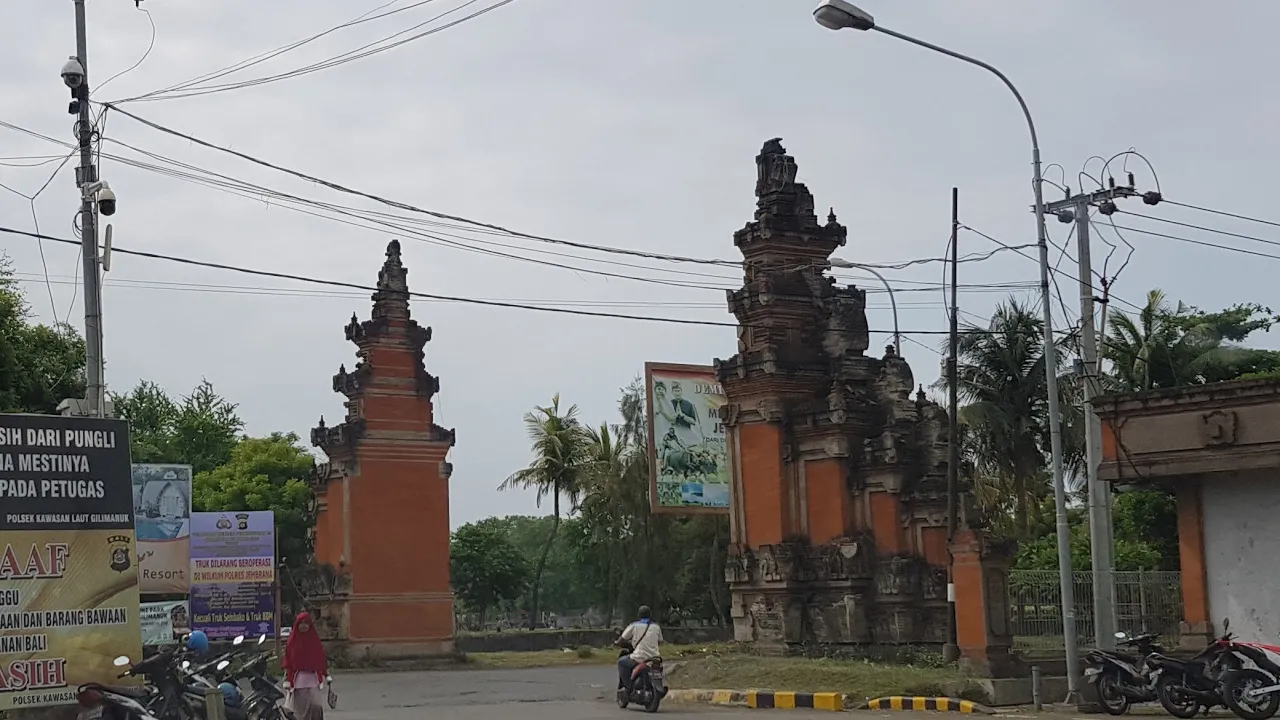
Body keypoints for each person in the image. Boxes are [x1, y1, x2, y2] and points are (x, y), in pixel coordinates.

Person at [282, 612, 330, 720]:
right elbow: (288, 661)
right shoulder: (292, 642)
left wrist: (326, 674)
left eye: (306, 623)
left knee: (316, 706)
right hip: (298, 681)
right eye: (301, 623)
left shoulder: (315, 641)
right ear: (297, 625)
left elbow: (321, 659)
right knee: (300, 711)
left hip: (314, 679)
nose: (303, 626)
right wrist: (288, 680)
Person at [615, 606, 663, 697]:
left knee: (622, 662)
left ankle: (628, 687)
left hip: (639, 657)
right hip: (655, 658)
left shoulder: (634, 625)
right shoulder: (656, 627)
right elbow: (660, 641)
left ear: (639, 615)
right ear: (650, 615)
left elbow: (622, 638)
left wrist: (617, 642)